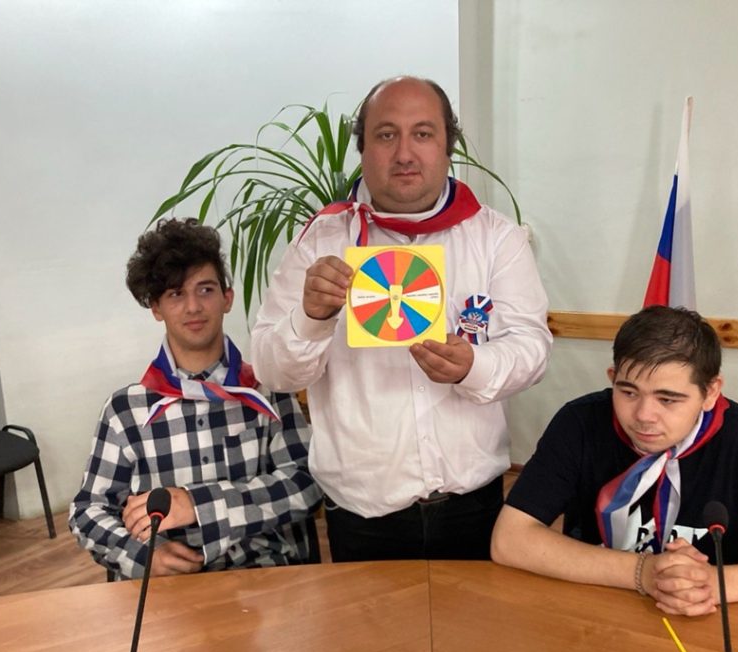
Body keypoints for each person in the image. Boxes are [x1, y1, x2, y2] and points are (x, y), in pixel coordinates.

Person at [250, 75, 552, 562]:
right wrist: (309, 318)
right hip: (362, 516)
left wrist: (473, 366)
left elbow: (532, 349)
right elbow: (271, 371)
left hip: (473, 508)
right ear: (363, 149)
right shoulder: (320, 242)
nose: (405, 153)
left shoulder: (496, 238)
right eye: (386, 135)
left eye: (423, 133)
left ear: (448, 146)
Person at [491, 305, 738, 615]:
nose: (644, 415)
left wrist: (711, 585)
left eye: (668, 399)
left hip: (715, 618)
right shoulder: (580, 423)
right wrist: (644, 573)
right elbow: (509, 540)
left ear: (711, 392)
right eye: (628, 392)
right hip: (600, 606)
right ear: (612, 377)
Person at [69, 218, 321, 579]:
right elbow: (88, 511)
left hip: (264, 578)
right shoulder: (126, 412)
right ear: (156, 308)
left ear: (227, 298)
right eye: (175, 294)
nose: (193, 307)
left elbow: (306, 485)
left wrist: (198, 506)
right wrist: (142, 556)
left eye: (205, 290)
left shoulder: (268, 389)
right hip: (170, 589)